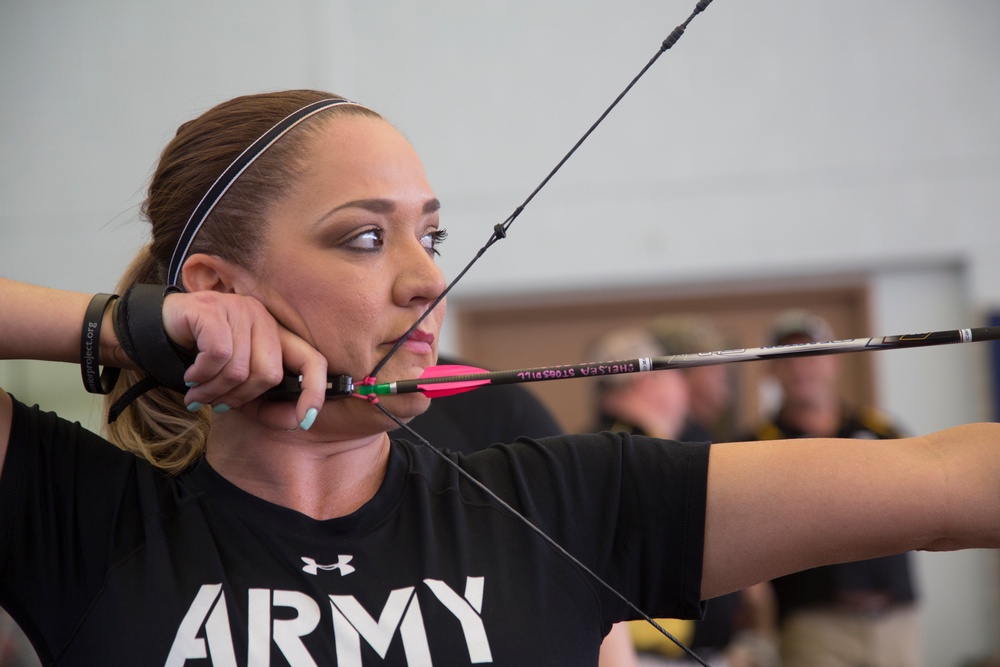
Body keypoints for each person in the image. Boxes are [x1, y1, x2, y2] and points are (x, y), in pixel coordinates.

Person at [1, 89, 999, 665]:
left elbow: (954, 485)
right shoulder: (84, 519)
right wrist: (122, 328)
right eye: (362, 237)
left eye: (432, 234)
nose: (428, 278)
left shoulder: (566, 503)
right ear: (217, 288)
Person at [586, 327, 778, 667]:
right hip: (647, 655)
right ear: (647, 383)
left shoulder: (654, 447)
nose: (683, 389)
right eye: (675, 377)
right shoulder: (623, 453)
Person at [746, 310, 919, 667]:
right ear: (769, 370)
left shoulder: (881, 430)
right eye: (786, 357)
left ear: (835, 361)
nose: (800, 367)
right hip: (813, 624)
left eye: (811, 353)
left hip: (897, 619)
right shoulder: (752, 447)